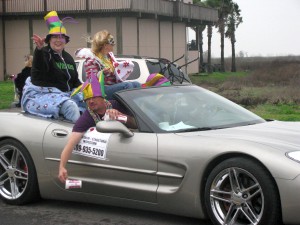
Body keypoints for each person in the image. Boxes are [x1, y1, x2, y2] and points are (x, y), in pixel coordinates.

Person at [58, 74, 136, 183]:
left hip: (129, 149)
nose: (91, 101)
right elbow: (71, 143)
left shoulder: (117, 104)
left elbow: (136, 124)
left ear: (102, 97)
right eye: (87, 99)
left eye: (94, 97)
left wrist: (120, 117)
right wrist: (62, 167)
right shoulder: (87, 117)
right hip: (107, 161)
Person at [21, 11, 84, 122]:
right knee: (71, 106)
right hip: (43, 95)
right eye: (55, 37)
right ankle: (77, 135)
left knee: (93, 102)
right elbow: (39, 70)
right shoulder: (45, 53)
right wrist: (39, 49)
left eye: (61, 37)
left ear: (66, 40)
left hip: (67, 94)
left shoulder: (68, 58)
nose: (58, 40)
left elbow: (74, 81)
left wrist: (87, 88)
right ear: (49, 40)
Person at [75, 30, 141, 100]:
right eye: (111, 43)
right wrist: (102, 73)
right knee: (127, 86)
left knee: (137, 84)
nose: (113, 45)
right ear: (105, 45)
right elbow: (91, 79)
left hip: (112, 86)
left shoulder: (108, 57)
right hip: (101, 89)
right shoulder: (91, 59)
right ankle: (129, 108)